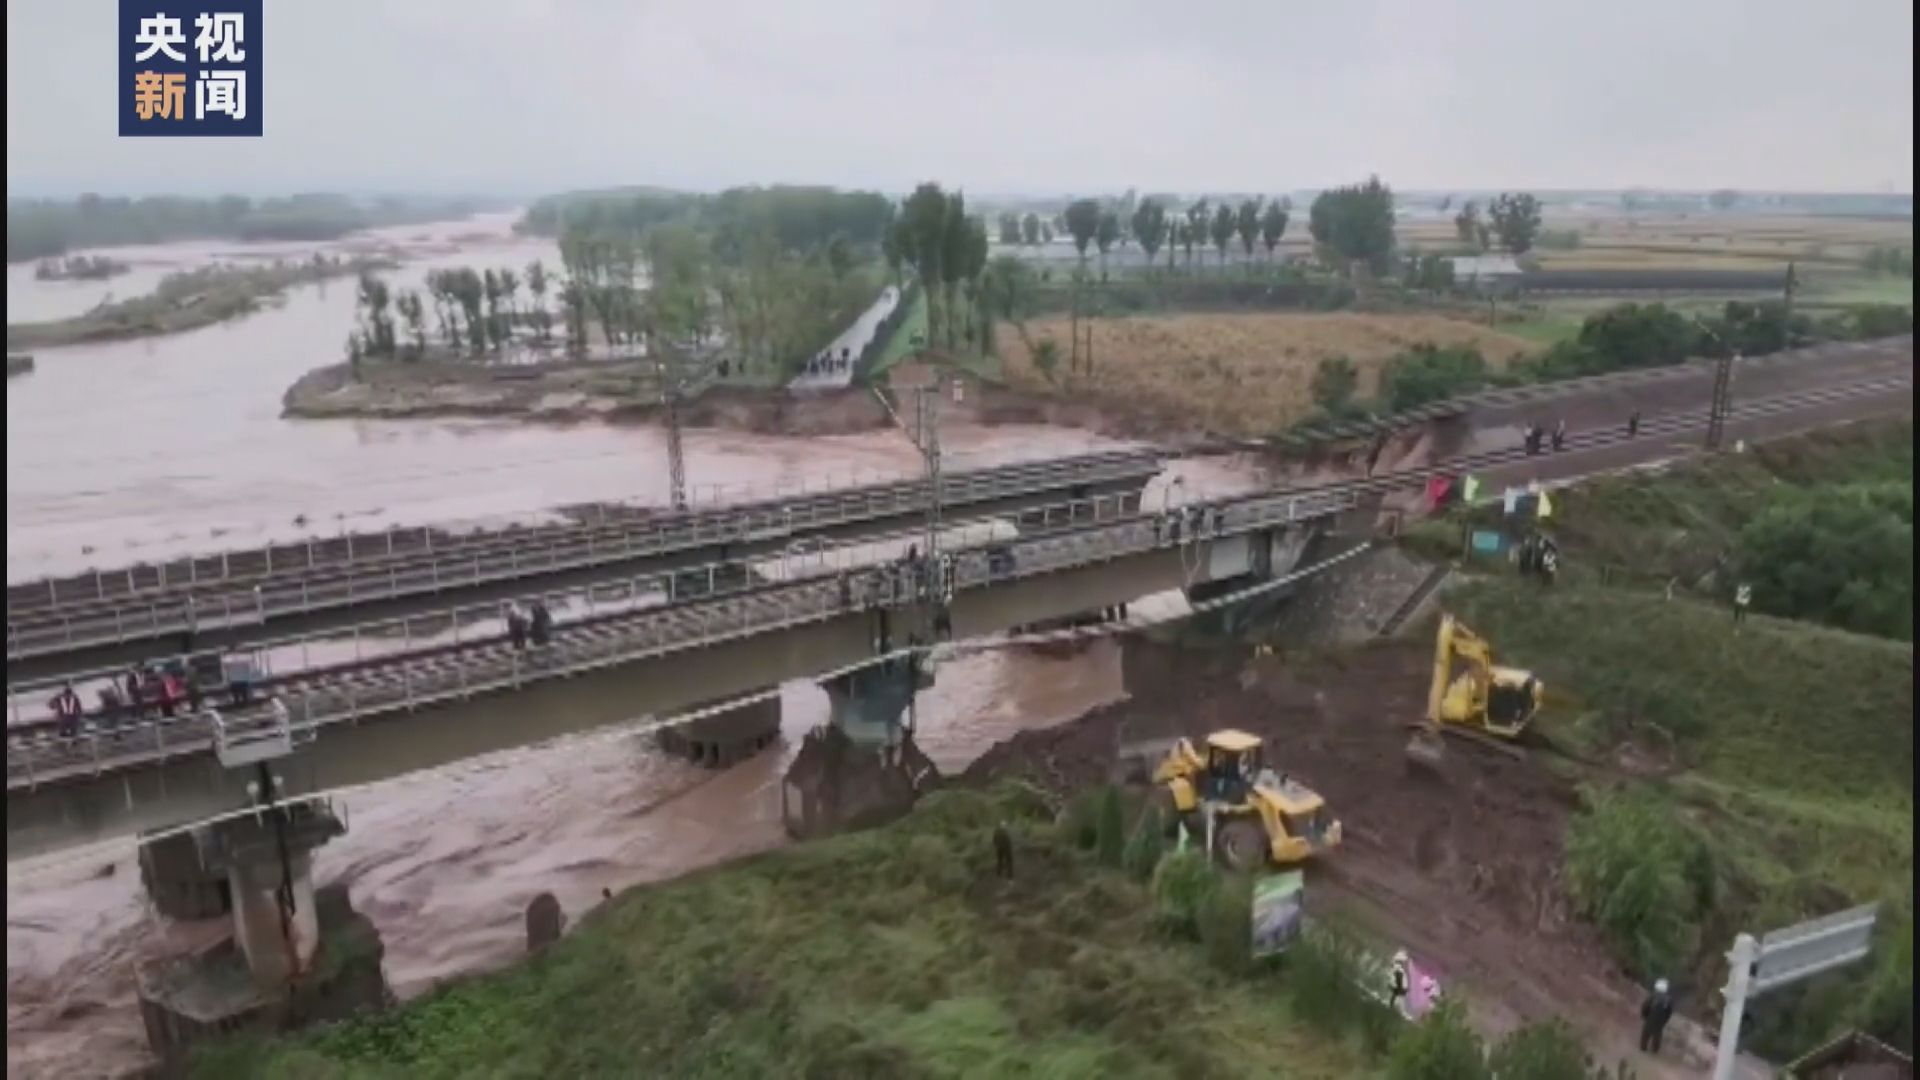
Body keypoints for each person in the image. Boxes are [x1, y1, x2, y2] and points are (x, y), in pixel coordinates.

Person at [1639, 978, 1675, 1054]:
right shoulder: (1668, 999)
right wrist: (1665, 1020)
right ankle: (1655, 1049)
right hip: (1661, 1019)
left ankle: (1643, 1047)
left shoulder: (1653, 996)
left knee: (1646, 1032)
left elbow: (1645, 1006)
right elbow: (1669, 1012)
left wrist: (1644, 1015)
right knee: (1658, 1034)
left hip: (1651, 1016)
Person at [1386, 950, 1412, 1016]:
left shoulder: (1397, 967)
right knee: (1398, 995)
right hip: (1399, 984)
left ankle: (1393, 1006)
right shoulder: (1398, 968)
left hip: (1399, 984)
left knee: (1397, 994)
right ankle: (1398, 1009)